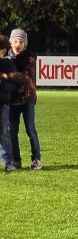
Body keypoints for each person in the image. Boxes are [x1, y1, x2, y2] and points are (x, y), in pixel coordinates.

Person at [8, 29, 41, 170]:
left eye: (21, 41)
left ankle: (36, 159)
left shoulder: (30, 58)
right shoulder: (6, 58)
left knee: (31, 130)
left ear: (25, 44)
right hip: (12, 101)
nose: (18, 44)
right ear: (10, 43)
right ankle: (16, 160)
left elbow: (25, 78)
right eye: (15, 41)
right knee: (12, 132)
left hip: (27, 100)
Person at [0, 35, 27, 172]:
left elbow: (18, 82)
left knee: (4, 131)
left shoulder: (7, 64)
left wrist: (4, 79)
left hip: (3, 104)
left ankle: (9, 161)